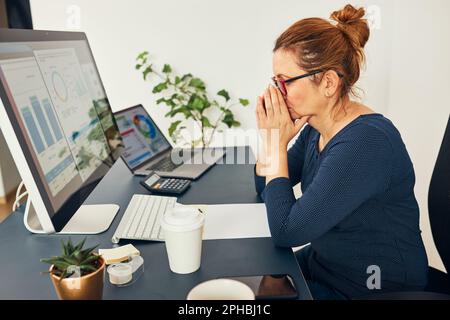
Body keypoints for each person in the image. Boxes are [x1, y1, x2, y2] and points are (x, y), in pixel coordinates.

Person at [254, 4, 428, 300]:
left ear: (329, 83)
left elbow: (287, 230)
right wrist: (276, 142)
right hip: (329, 259)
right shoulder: (316, 127)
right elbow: (264, 187)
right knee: (266, 277)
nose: (276, 93)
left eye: (284, 82)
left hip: (370, 284)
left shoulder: (366, 143)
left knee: (267, 288)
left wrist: (274, 142)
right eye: (275, 82)